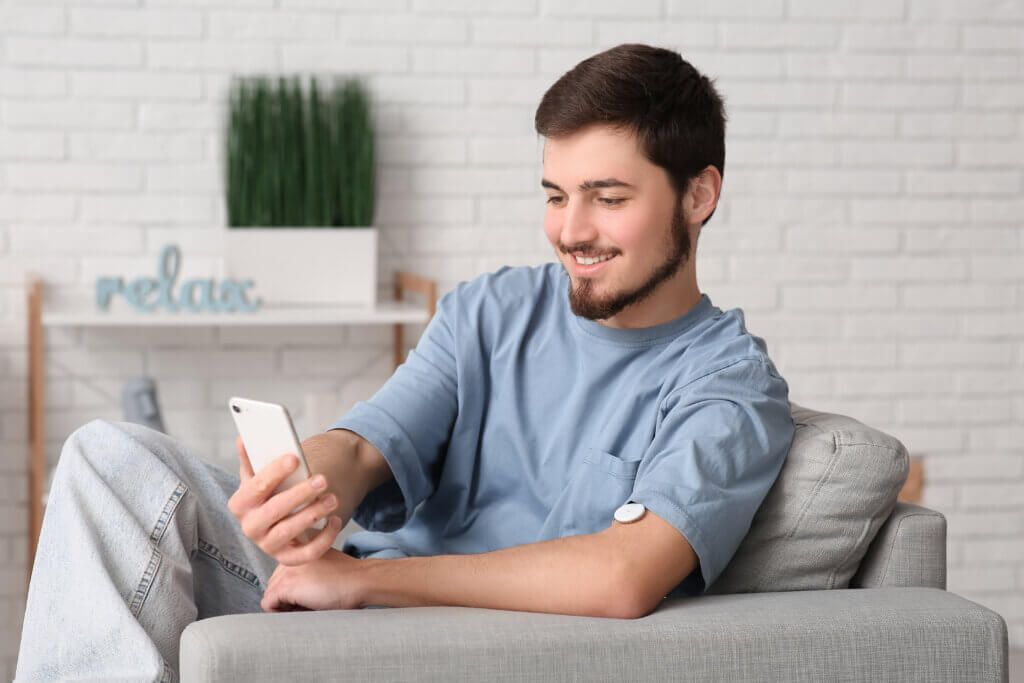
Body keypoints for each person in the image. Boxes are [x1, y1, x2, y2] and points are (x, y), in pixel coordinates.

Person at [15, 43, 795, 682]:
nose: (570, 229)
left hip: (430, 628)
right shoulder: (495, 309)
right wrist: (303, 492)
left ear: (699, 196)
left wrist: (367, 582)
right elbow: (364, 446)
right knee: (107, 455)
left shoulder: (728, 384)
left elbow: (623, 574)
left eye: (608, 198)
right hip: (349, 583)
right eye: (555, 195)